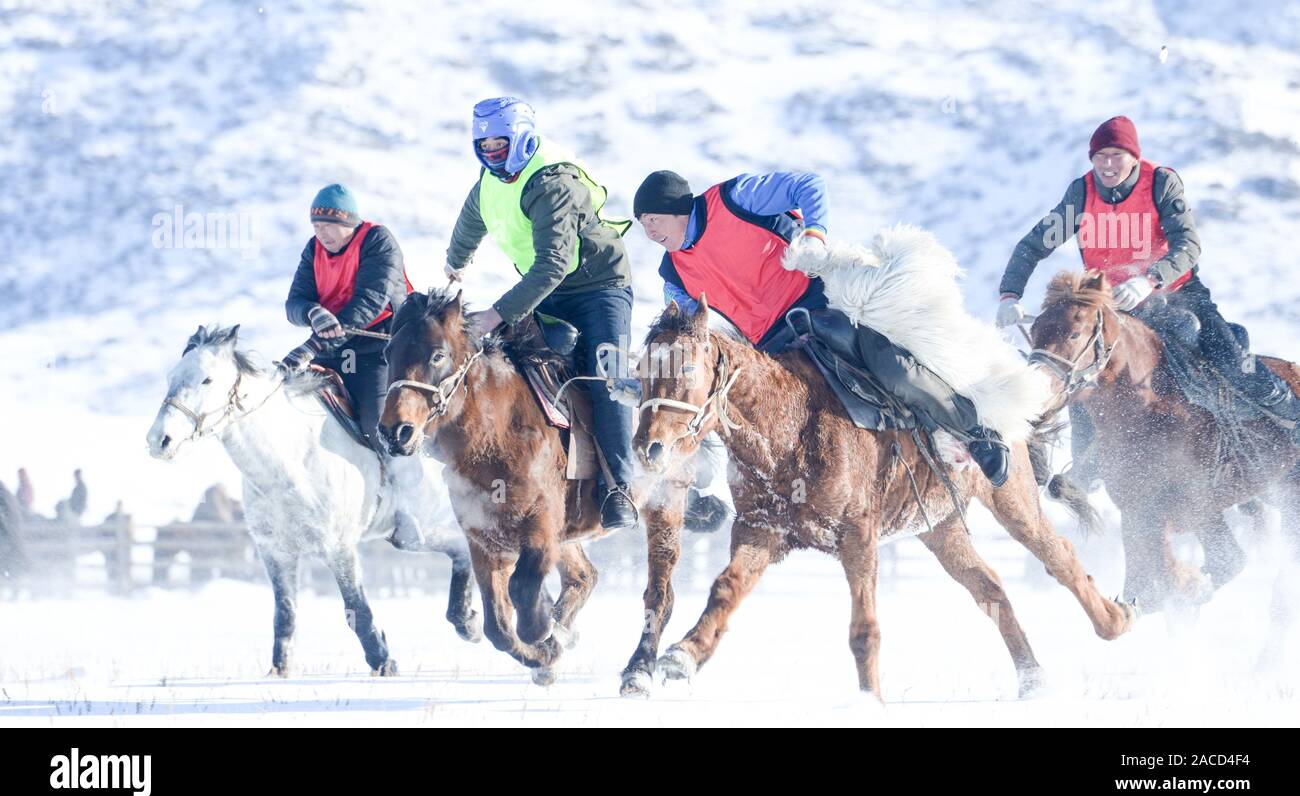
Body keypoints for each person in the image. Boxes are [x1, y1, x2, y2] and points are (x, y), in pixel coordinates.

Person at [634, 169, 1010, 485]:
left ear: (677, 208)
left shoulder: (735, 198)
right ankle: (704, 490)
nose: (649, 231)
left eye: (653, 219)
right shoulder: (672, 273)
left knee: (889, 365)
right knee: (731, 410)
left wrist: (815, 234)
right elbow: (686, 335)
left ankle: (977, 434)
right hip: (768, 345)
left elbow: (808, 184)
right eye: (643, 225)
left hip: (819, 303)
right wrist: (647, 380)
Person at [996, 116, 1300, 481]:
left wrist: (1150, 279)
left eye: (1117, 155)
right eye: (1100, 156)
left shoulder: (1160, 184)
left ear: (1134, 157)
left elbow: (1188, 245)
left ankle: (1288, 414)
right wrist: (1009, 294)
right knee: (1079, 368)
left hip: (1176, 295)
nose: (1108, 164)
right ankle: (1086, 468)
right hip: (1111, 306)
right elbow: (1032, 246)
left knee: (1228, 357)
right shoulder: (1082, 195)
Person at [444, 96, 638, 528]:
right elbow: (474, 214)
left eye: (500, 143)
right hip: (548, 288)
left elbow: (553, 264)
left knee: (606, 376)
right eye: (484, 145)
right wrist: (456, 260)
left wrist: (497, 314)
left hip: (598, 287)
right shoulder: (492, 178)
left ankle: (618, 488)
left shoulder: (553, 182)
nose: (492, 152)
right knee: (515, 365)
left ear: (522, 137)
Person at [281, 184, 426, 546]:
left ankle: (408, 508)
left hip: (379, 347)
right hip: (332, 349)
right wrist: (311, 311)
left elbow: (369, 304)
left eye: (329, 226)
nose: (321, 233)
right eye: (316, 226)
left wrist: (311, 345)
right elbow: (293, 303)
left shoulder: (378, 241)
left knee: (381, 424)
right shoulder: (313, 250)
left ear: (349, 223)